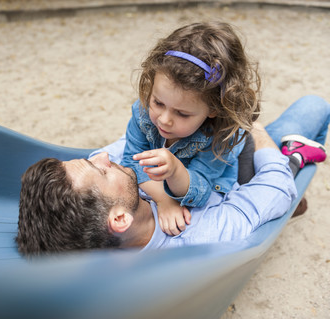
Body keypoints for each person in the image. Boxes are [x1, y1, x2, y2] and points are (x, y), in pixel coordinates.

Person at [16, 95, 329, 257]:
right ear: (120, 220)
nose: (101, 156)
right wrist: (254, 130)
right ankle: (295, 157)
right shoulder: (196, 236)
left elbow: (129, 146)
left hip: (208, 150)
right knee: (316, 107)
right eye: (98, 169)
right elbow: (275, 187)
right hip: (244, 173)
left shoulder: (112, 204)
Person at [120, 22, 261, 236]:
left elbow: (202, 189)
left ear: (213, 109)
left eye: (182, 114)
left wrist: (175, 171)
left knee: (253, 185)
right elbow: (130, 163)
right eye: (158, 103)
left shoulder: (219, 137)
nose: (165, 120)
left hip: (233, 158)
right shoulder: (143, 114)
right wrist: (164, 200)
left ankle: (280, 149)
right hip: (174, 182)